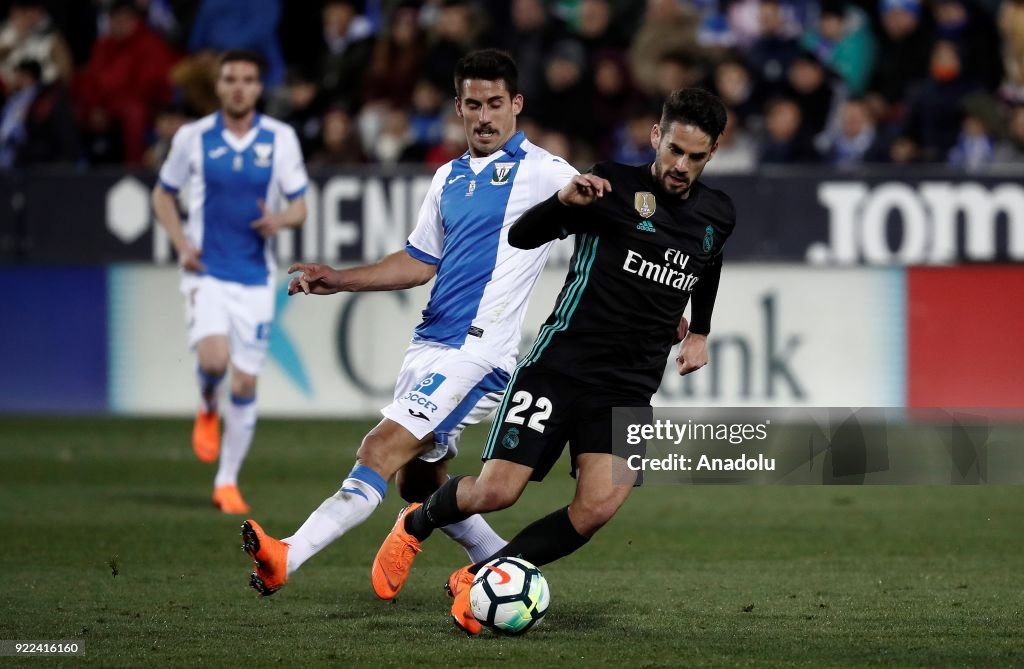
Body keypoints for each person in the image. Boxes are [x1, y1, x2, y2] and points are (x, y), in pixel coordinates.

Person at [374, 87, 735, 634]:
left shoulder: (717, 213)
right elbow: (522, 235)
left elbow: (708, 261)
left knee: (597, 507)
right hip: (561, 365)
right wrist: (564, 202)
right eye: (674, 151)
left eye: (696, 157)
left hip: (630, 386)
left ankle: (483, 578)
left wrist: (700, 330)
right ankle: (417, 521)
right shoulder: (610, 186)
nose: (681, 166)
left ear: (713, 153)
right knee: (497, 492)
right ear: (656, 137)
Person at [239, 49, 579, 599]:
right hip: (431, 346)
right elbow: (420, 262)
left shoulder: (546, 172)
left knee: (379, 449)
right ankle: (502, 571)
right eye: (474, 105)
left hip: (480, 354)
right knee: (417, 482)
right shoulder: (447, 177)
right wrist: (340, 278)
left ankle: (287, 554)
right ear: (458, 108)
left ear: (516, 105)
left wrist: (666, 308)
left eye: (497, 103)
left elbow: (606, 226)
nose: (485, 116)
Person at [151, 50, 308, 514]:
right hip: (207, 272)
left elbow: (300, 205)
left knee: (244, 382)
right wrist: (181, 243)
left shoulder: (280, 139)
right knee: (215, 359)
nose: (239, 86)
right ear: (218, 86)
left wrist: (278, 220)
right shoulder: (192, 137)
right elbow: (163, 194)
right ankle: (205, 401)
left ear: (259, 87)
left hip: (255, 277)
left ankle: (227, 480)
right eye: (230, 79)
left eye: (248, 79)